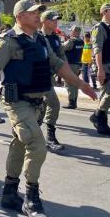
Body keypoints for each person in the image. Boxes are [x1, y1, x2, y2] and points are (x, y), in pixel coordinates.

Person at [0, 0, 97, 217]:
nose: (37, 16)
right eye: (32, 13)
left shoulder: (40, 39)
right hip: (16, 101)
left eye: (39, 12)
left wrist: (83, 86)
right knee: (36, 144)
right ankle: (31, 198)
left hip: (36, 102)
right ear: (19, 17)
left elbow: (59, 64)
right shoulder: (7, 41)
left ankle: (9, 193)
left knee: (19, 145)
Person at [39, 9, 68, 152]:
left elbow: (62, 57)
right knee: (54, 104)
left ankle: (33, 134)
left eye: (56, 20)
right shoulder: (37, 37)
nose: (56, 22)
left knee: (43, 106)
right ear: (44, 21)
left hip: (49, 77)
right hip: (39, 77)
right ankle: (49, 138)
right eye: (53, 20)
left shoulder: (56, 38)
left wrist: (68, 74)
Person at [90, 3, 110, 136]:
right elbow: (97, 50)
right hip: (102, 64)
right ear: (105, 12)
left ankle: (102, 123)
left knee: (105, 94)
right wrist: (100, 69)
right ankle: (97, 115)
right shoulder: (99, 28)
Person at [62, 25, 85, 109]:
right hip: (78, 64)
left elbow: (62, 48)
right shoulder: (81, 41)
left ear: (74, 32)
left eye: (71, 30)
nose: (70, 32)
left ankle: (71, 102)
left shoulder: (71, 41)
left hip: (70, 65)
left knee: (69, 83)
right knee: (75, 83)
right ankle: (74, 101)